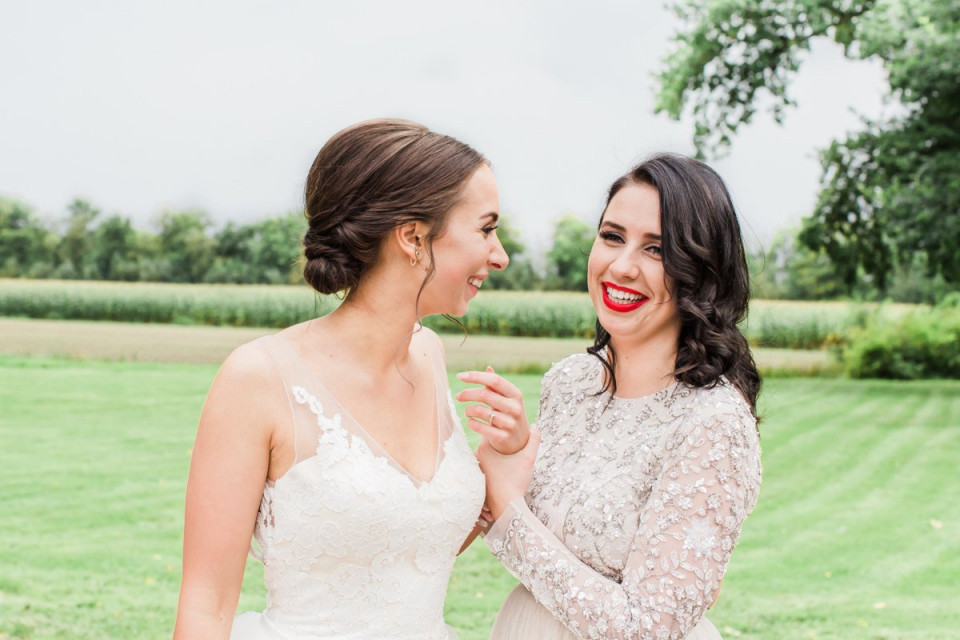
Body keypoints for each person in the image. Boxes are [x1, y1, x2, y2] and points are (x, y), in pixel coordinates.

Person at [172, 118, 530, 640]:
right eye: (486, 228)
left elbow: (403, 550)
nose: (499, 256)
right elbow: (207, 603)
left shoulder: (429, 354)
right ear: (412, 237)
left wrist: (500, 459)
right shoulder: (258, 377)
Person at [463, 153, 763, 639]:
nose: (621, 267)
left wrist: (508, 514)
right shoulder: (569, 383)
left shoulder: (714, 423)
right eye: (612, 236)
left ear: (702, 272)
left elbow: (646, 629)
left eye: (656, 249)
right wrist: (511, 453)